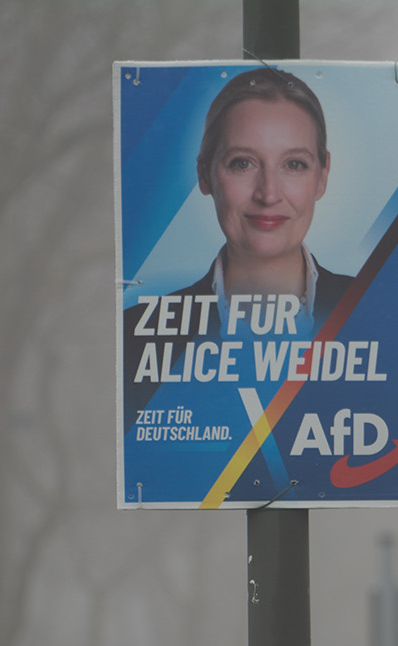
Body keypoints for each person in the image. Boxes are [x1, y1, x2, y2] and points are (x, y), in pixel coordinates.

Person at [125, 67, 351, 412]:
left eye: (294, 165)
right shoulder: (137, 335)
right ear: (205, 175)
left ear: (322, 177)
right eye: (243, 163)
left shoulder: (373, 313)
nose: (269, 194)